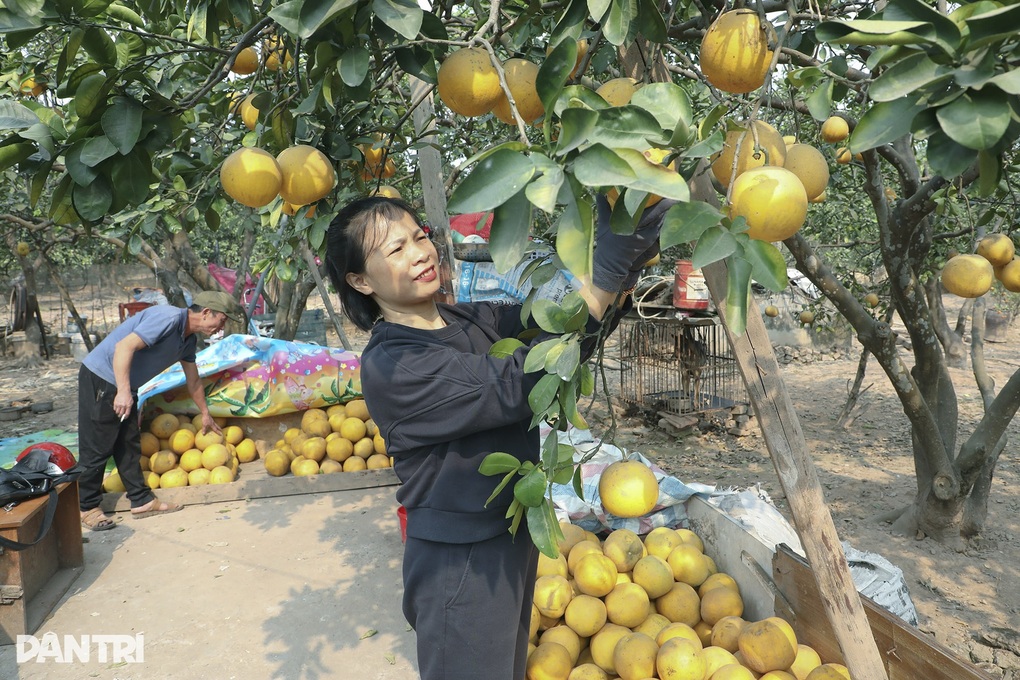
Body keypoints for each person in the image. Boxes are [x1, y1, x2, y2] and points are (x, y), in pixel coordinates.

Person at [325, 194, 672, 680]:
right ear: (360, 280)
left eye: (419, 237)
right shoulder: (395, 364)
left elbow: (557, 332)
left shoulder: (469, 319)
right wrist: (608, 268)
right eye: (396, 249)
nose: (421, 252)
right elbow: (518, 383)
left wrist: (620, 270)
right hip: (460, 561)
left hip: (510, 536)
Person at [77, 291, 247, 530]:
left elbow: (194, 381)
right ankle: (87, 507)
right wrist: (123, 391)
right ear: (207, 313)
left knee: (128, 443)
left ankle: (141, 501)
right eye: (222, 320)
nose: (222, 327)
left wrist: (205, 414)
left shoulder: (187, 341)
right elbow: (123, 347)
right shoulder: (167, 318)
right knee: (98, 444)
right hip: (102, 377)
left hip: (124, 383)